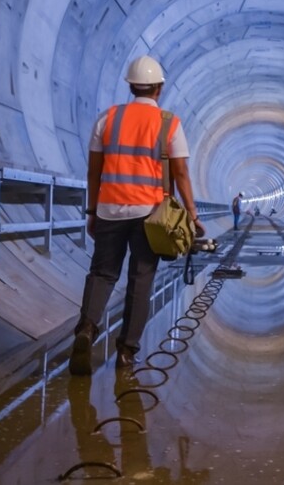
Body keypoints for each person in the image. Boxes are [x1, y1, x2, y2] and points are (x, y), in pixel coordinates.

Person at [70, 55, 205, 375]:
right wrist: (192, 213)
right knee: (140, 281)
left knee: (102, 274)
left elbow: (93, 171)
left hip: (109, 210)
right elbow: (182, 173)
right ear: (159, 88)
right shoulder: (170, 123)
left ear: (131, 86)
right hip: (150, 216)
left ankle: (87, 329)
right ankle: (126, 352)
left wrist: (92, 210)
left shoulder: (107, 119)